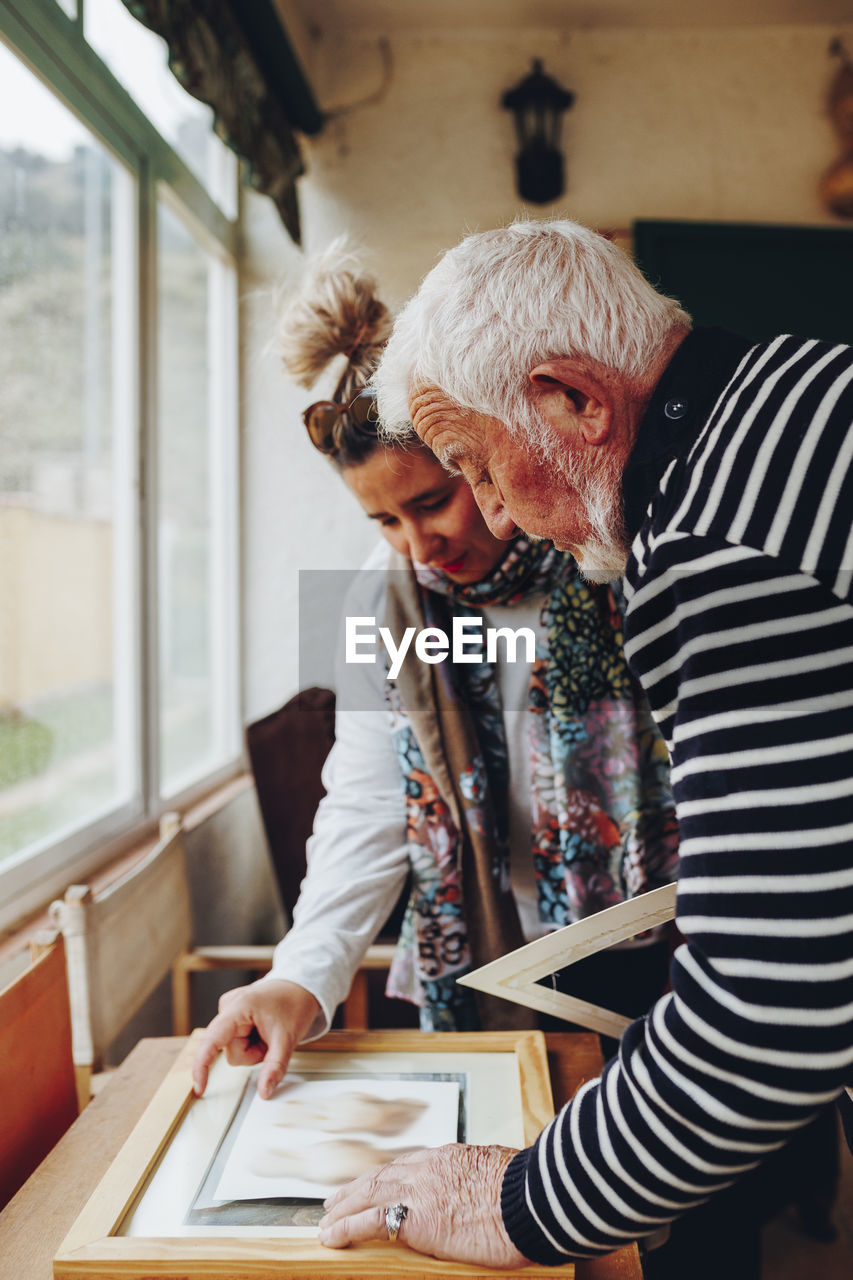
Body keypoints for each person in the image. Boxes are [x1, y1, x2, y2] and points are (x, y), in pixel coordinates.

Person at [316, 220, 852, 1271]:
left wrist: (519, 1203)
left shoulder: (708, 544)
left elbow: (767, 1001)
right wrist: (307, 962)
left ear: (574, 398)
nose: (496, 515)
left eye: (470, 469)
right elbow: (366, 785)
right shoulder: (804, 387)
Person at [192, 245, 678, 1103]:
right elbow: (372, 799)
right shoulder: (368, 605)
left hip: (648, 948)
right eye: (382, 520)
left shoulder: (612, 554)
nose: (420, 549)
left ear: (472, 457)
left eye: (429, 502)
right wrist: (299, 974)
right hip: (487, 959)